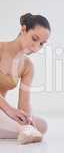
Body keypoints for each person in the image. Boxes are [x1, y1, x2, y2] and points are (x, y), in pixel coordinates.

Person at [0, 13, 50, 144]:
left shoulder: (27, 66)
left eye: (41, 44)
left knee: (42, 125)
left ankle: (25, 130)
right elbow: (9, 110)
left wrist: (26, 118)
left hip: (2, 113)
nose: (36, 47)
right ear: (23, 29)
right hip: (4, 110)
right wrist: (10, 110)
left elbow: (24, 104)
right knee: (24, 126)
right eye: (34, 39)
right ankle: (25, 131)